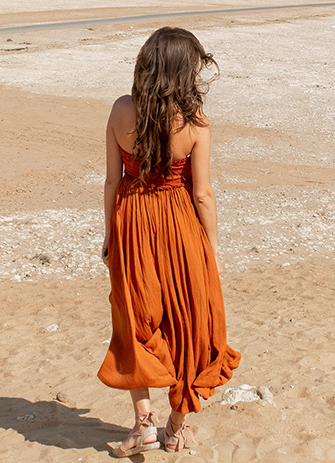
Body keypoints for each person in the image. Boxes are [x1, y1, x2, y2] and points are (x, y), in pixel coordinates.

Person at [98, 27, 240, 455]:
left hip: (133, 221)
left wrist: (109, 235)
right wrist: (210, 250)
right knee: (190, 322)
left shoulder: (121, 110)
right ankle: (177, 426)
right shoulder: (195, 121)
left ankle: (143, 422)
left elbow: (111, 179)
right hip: (179, 225)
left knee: (134, 320)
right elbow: (202, 193)